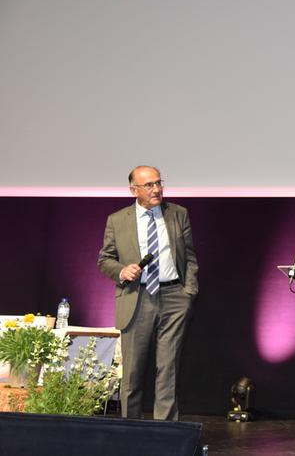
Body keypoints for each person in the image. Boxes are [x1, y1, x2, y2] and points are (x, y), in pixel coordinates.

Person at [97, 165, 198, 421]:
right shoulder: (117, 220)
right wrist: (121, 271)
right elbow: (104, 259)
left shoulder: (178, 214)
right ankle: (131, 431)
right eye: (149, 185)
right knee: (132, 370)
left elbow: (189, 257)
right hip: (136, 296)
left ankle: (165, 432)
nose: (156, 189)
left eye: (158, 183)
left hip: (174, 295)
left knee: (168, 368)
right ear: (134, 190)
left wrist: (188, 292)